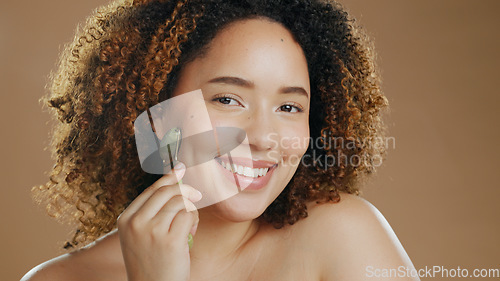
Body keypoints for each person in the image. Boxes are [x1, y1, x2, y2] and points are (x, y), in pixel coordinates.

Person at [22, 0, 419, 280]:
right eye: (228, 99)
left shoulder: (342, 236)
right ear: (157, 110)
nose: (264, 138)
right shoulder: (61, 279)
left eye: (289, 107)